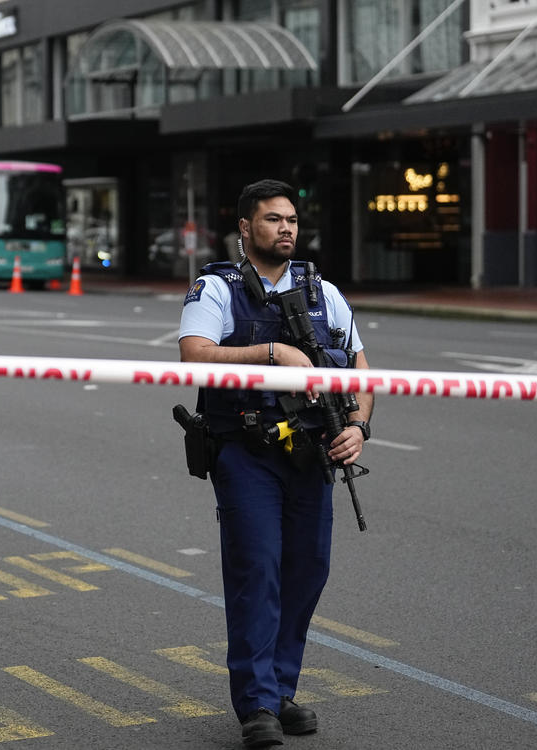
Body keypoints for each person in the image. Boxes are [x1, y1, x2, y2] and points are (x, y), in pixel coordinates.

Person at [178, 179, 373, 748]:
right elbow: (194, 355)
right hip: (245, 451)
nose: (285, 228)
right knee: (257, 569)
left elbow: (362, 371)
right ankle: (257, 703)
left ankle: (281, 690)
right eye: (271, 219)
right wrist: (271, 353)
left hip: (313, 453)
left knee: (307, 571)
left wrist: (358, 428)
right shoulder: (216, 287)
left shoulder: (323, 292)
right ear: (245, 228)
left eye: (291, 219)